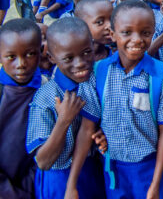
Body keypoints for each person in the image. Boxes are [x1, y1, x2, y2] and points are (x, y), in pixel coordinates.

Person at [68, 0, 163, 199]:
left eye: (146, 33)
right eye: (126, 32)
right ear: (113, 34)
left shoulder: (160, 75)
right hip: (115, 171)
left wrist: (155, 185)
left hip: (152, 168)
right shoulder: (99, 72)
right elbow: (86, 128)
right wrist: (72, 184)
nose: (137, 40)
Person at [26, 17, 105, 199]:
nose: (80, 63)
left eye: (86, 52)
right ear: (52, 58)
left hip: (92, 168)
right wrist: (64, 120)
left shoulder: (97, 80)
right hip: (59, 178)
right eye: (68, 58)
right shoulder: (46, 97)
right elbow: (43, 162)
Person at [0, 19, 44, 198]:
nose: (21, 64)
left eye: (29, 54)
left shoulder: (49, 91)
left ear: (41, 52)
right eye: (11, 57)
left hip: (34, 184)